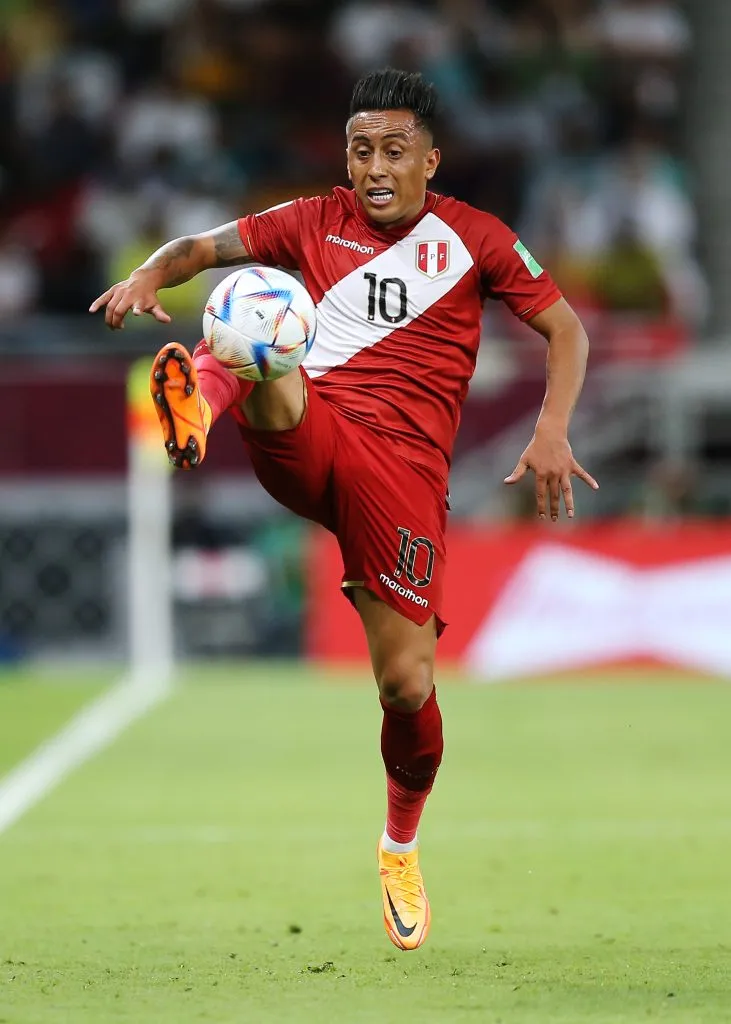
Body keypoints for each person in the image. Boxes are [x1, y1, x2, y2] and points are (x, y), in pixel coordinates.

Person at [90, 68, 598, 951]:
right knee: (258, 309)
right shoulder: (312, 219)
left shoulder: (475, 238)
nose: (374, 166)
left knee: (405, 685)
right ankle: (195, 412)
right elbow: (199, 249)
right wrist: (146, 273)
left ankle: (399, 845)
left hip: (401, 478)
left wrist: (551, 429)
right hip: (314, 430)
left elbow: (566, 328)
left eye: (394, 151)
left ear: (428, 160)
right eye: (361, 148)